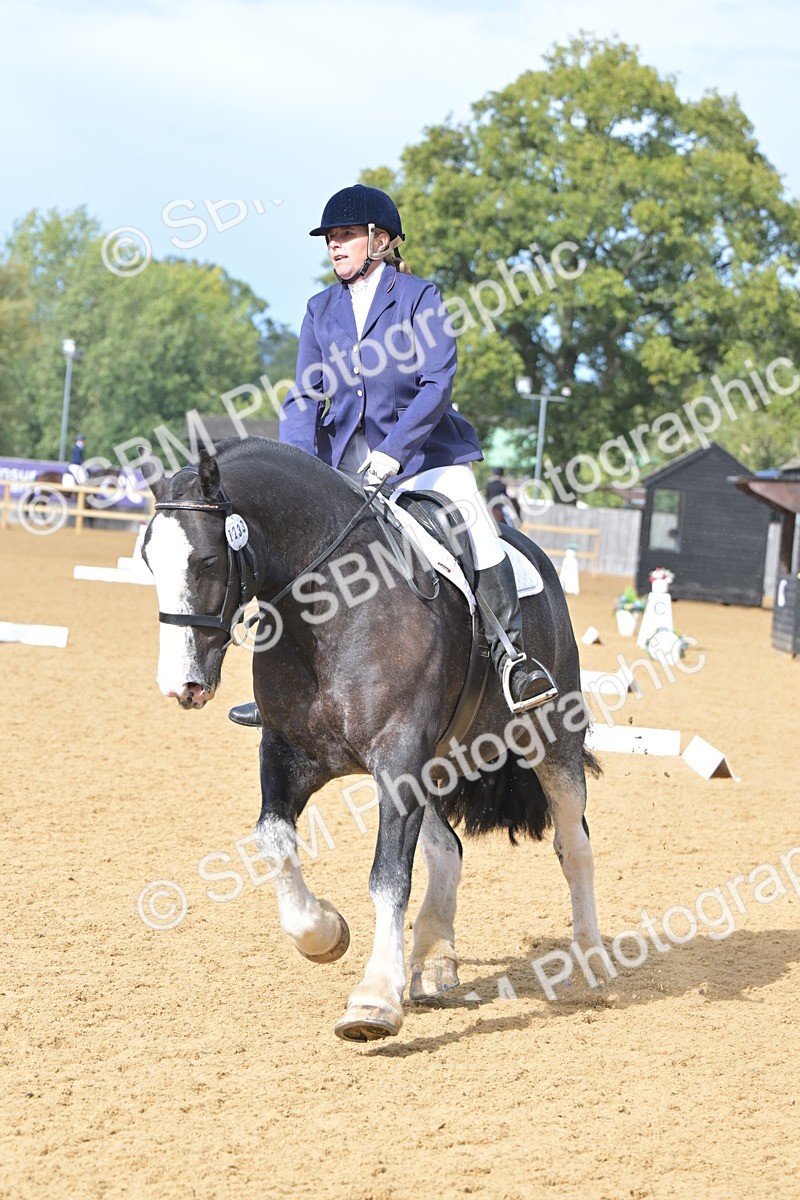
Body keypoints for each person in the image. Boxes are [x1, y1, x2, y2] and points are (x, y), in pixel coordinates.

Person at [228, 185, 557, 727]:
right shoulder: (320, 309)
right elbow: (306, 396)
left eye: (346, 236)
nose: (335, 247)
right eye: (331, 239)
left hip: (423, 457)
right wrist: (298, 470)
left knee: (475, 523)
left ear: (380, 241)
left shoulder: (419, 297)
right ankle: (278, 687)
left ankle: (513, 658)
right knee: (289, 547)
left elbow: (436, 386)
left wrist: (391, 455)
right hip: (341, 466)